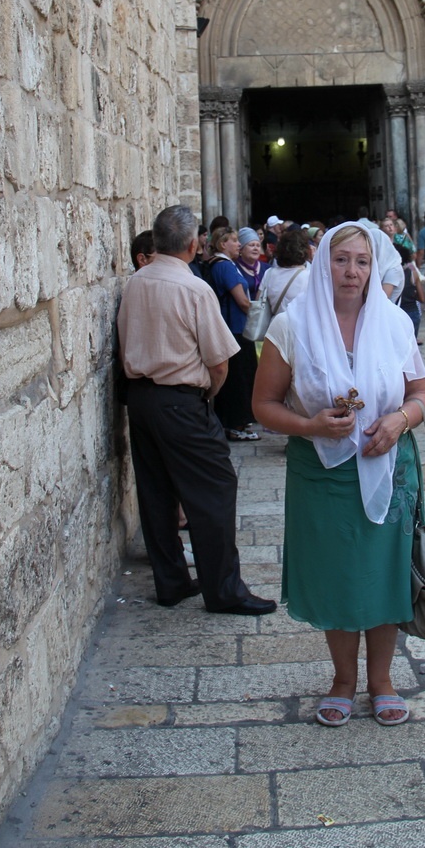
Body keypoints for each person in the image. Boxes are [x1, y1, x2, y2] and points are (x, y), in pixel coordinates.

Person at [252, 222, 425, 726]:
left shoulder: (394, 323)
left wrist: (400, 420)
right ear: (322, 264)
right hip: (321, 471)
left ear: (374, 268)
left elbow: (421, 393)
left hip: (390, 466)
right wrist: (310, 425)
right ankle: (343, 680)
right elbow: (263, 405)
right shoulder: (292, 326)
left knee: (385, 572)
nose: (352, 271)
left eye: (362, 261)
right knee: (337, 574)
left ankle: (382, 681)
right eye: (341, 259)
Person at [117, 205, 276, 615]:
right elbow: (220, 361)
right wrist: (207, 398)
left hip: (141, 399)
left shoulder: (135, 282)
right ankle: (223, 590)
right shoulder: (194, 288)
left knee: (155, 490)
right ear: (193, 244)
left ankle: (170, 581)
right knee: (215, 487)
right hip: (180, 399)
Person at [205, 227, 261, 440]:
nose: (239, 244)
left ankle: (231, 423)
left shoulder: (219, 264)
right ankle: (236, 424)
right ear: (222, 244)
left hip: (230, 327)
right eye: (234, 240)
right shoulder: (225, 266)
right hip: (235, 328)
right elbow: (242, 301)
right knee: (239, 379)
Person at [260, 226, 311, 322]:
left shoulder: (269, 273)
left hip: (274, 326)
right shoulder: (309, 276)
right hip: (298, 326)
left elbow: (259, 302)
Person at [395, 238, 425, 340]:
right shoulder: (412, 271)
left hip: (397, 313)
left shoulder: (389, 274)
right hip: (413, 312)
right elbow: (422, 298)